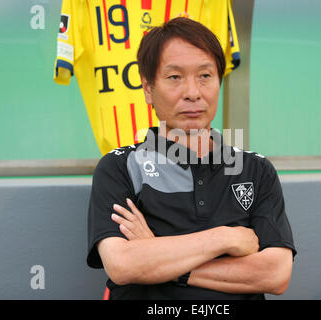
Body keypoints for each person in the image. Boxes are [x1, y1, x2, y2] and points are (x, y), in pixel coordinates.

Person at [87, 17, 296, 300]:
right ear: (148, 89)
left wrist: (160, 255)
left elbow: (275, 274)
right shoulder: (120, 167)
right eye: (174, 77)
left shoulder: (256, 170)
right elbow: (123, 265)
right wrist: (224, 237)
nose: (193, 93)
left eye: (205, 76)